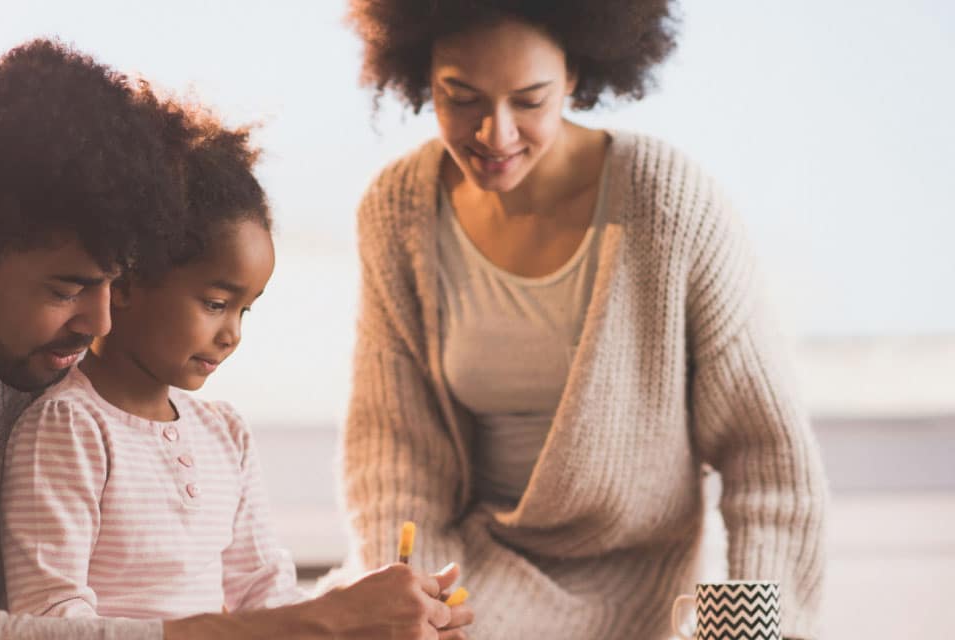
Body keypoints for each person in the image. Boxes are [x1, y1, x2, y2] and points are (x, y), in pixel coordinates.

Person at [0, 38, 471, 639]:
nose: (103, 322)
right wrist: (313, 626)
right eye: (68, 287)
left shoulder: (41, 361)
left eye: (117, 282)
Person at [339, 2, 829, 638]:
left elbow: (767, 461)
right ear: (420, 71)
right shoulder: (397, 210)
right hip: (471, 579)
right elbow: (396, 457)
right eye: (460, 97)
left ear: (574, 72)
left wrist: (762, 632)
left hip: (641, 592)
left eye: (530, 99)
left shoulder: (665, 202)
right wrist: (411, 606)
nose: (495, 134)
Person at [0, 104, 303, 617]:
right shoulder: (69, 429)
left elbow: (263, 588)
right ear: (127, 284)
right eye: (215, 304)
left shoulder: (225, 433)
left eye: (245, 310)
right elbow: (52, 609)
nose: (232, 335)